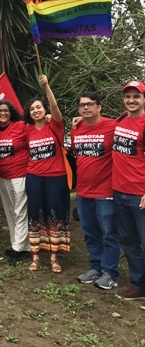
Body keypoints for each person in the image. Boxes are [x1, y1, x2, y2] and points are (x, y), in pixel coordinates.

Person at [70, 92, 120, 289]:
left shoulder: (113, 126)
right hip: (83, 191)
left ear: (99, 107)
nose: (86, 108)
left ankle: (110, 272)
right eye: (82, 105)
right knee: (90, 232)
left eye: (90, 104)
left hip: (106, 191)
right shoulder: (76, 128)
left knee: (109, 233)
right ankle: (96, 267)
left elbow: (133, 116)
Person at [24, 75, 70, 273]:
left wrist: (46, 86)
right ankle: (35, 256)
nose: (35, 111)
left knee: (55, 214)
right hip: (34, 176)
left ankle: (54, 257)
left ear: (45, 110)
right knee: (35, 214)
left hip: (56, 177)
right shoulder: (27, 130)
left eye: (39, 107)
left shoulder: (55, 125)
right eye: (32, 109)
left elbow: (56, 108)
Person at [0, 100, 31, 265]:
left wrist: (47, 116)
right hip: (2, 177)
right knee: (11, 212)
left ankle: (17, 249)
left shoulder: (20, 126)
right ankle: (21, 246)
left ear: (11, 112)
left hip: (20, 175)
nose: (3, 113)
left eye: (6, 110)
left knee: (20, 210)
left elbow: (37, 128)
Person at [112, 81, 145, 302]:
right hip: (118, 191)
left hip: (139, 195)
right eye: (128, 96)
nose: (131, 100)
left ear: (144, 99)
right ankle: (139, 285)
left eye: (136, 96)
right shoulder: (122, 118)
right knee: (128, 240)